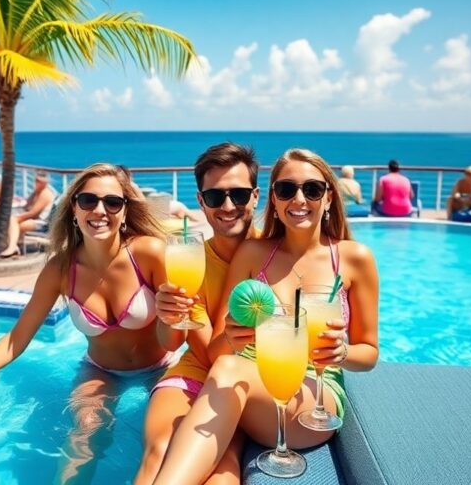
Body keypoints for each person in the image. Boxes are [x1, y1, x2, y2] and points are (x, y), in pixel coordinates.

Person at [0, 164, 168, 483]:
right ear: (73, 208)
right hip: (101, 370)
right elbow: (15, 339)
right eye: (88, 200)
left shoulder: (149, 253)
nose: (100, 210)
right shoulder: (60, 270)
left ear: (125, 211)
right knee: (86, 429)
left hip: (161, 365)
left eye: (112, 202)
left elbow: (184, 319)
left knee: (161, 438)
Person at [153, 149, 380, 484]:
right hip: (246, 387)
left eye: (312, 189)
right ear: (273, 199)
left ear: (329, 197)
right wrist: (230, 337)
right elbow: (218, 353)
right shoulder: (253, 254)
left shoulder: (354, 259)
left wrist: (343, 353)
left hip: (312, 397)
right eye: (287, 189)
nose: (299, 199)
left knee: (229, 371)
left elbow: (370, 352)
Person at [135, 143, 261, 485]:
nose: (228, 206)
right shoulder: (189, 261)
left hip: (248, 386)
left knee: (223, 473)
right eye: (215, 196)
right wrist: (167, 316)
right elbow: (177, 343)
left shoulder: (276, 256)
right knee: (159, 450)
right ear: (201, 201)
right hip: (195, 372)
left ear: (255, 196)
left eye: (238, 194)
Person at [0, 170, 58, 257]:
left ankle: (12, 247)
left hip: (42, 223)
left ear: (45, 182)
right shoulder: (36, 192)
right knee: (14, 223)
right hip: (35, 220)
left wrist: (18, 218)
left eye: (40, 181)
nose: (37, 183)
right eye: (36, 180)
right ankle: (16, 247)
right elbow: (26, 206)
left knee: (14, 222)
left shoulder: (45, 194)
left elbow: (33, 213)